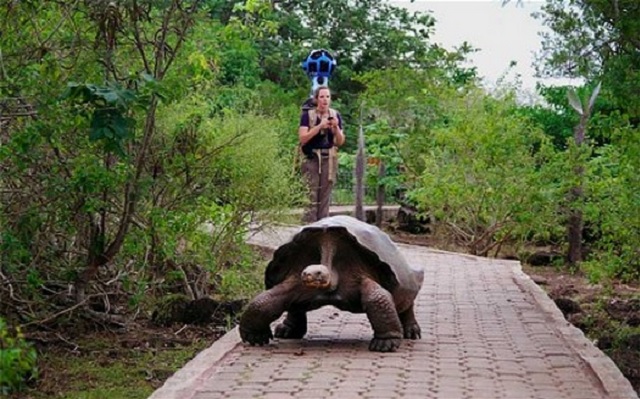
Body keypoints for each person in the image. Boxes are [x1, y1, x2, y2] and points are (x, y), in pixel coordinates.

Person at [298, 86, 345, 222]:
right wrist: (319, 127)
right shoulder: (308, 115)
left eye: (328, 97)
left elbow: (340, 141)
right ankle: (309, 226)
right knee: (311, 194)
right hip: (312, 157)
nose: (325, 100)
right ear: (317, 99)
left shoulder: (335, 115)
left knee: (325, 195)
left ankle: (323, 226)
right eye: (322, 97)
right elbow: (302, 138)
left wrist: (335, 128)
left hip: (328, 158)